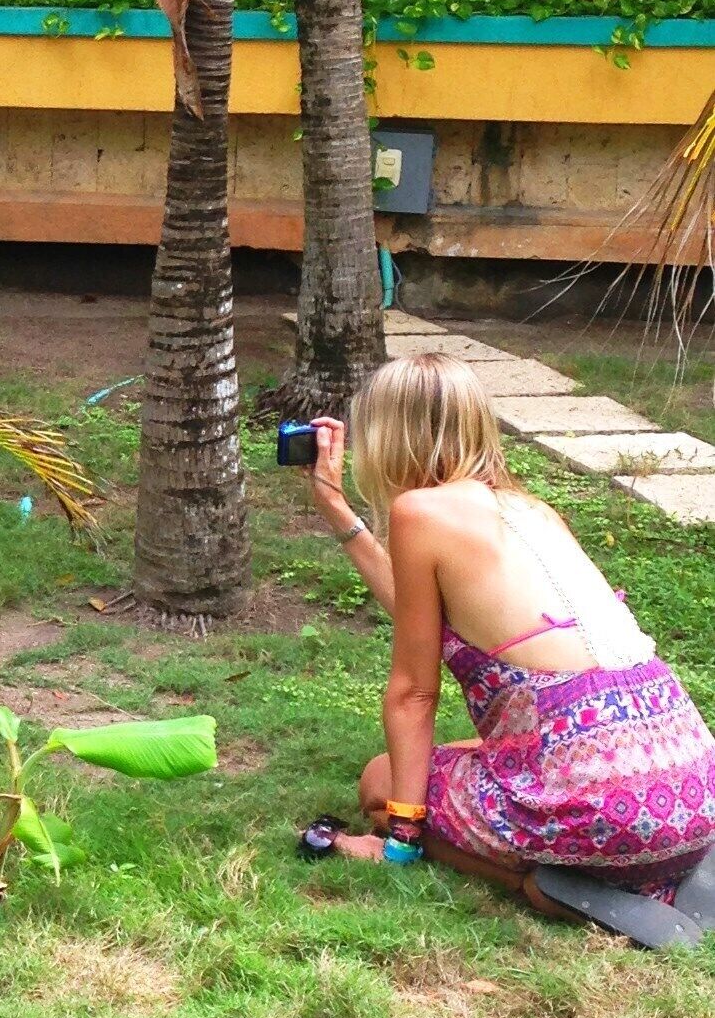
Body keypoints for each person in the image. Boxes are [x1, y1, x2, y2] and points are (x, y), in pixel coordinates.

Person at [305, 351, 715, 948]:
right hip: (690, 784)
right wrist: (339, 513)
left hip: (603, 803)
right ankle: (666, 868)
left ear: (387, 433)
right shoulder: (534, 512)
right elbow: (428, 615)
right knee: (476, 751)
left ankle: (545, 884)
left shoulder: (418, 509)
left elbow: (414, 693)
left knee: (381, 778)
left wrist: (400, 841)